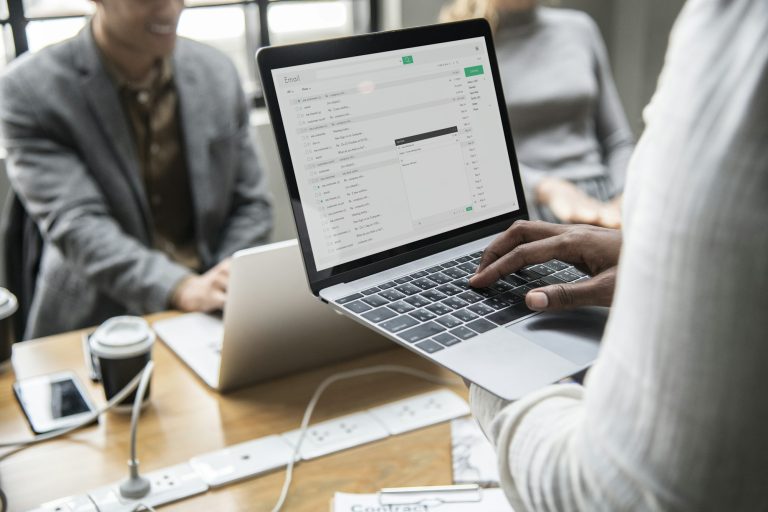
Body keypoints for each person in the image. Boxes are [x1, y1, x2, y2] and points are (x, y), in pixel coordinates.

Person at [467, 0, 768, 509]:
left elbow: (618, 494)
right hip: (542, 205)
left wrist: (483, 369)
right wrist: (642, 250)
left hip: (612, 201)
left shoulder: (740, 36)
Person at [0, 0, 272, 339]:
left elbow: (252, 203)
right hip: (96, 322)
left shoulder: (217, 72)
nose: (170, 9)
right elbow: (77, 224)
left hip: (213, 309)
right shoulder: (30, 90)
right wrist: (180, 288)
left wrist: (226, 278)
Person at [440, 0, 634, 228]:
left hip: (604, 204)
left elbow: (617, 140)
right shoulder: (462, 40)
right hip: (527, 209)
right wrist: (545, 188)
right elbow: (469, 156)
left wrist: (624, 200)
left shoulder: (580, 28)